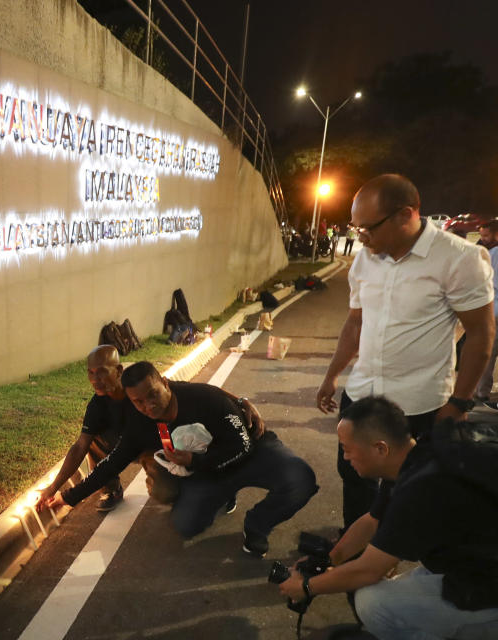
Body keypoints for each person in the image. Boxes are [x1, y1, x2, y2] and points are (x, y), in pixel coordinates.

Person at [316, 174, 495, 530]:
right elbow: (355, 323)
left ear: (406, 215)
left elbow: (481, 332)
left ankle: (390, 555)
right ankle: (354, 553)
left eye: (368, 229)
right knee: (354, 475)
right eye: (357, 229)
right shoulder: (366, 259)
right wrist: (332, 375)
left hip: (418, 404)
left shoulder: (459, 259)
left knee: (411, 486)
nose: (361, 238)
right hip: (363, 393)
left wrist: (460, 403)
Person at [276, 396, 498, 640]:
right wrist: (330, 559)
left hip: (488, 588)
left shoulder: (421, 490)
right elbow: (372, 521)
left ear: (380, 448)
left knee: (374, 602)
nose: (346, 458)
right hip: (476, 564)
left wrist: (306, 587)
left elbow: (368, 570)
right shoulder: (423, 451)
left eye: (347, 449)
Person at [46, 361, 317, 558]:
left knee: (300, 479)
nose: (148, 405)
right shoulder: (139, 424)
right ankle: (223, 494)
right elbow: (112, 464)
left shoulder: (202, 398)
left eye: (152, 394)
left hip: (252, 453)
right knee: (186, 524)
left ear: (165, 382)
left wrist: (195, 462)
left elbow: (242, 445)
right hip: (212, 470)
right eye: (138, 402)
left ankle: (258, 525)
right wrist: (67, 497)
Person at [35, 345, 127, 513]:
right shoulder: (97, 405)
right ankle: (111, 489)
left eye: (101, 372)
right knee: (92, 439)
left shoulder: (138, 386)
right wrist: (53, 487)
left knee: (166, 491)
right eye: (90, 372)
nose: (94, 379)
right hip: (125, 442)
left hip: (150, 442)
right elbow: (80, 447)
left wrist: (172, 454)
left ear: (118, 370)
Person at [475, 220, 498, 404]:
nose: (483, 239)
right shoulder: (487, 252)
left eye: (486, 235)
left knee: (488, 355)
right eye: (481, 236)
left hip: (492, 311)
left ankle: (482, 393)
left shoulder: (490, 254)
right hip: (493, 311)